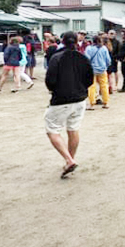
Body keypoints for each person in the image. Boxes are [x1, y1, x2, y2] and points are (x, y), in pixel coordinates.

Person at [44, 31, 93, 179]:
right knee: (73, 129)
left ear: (63, 41)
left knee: (52, 129)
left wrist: (55, 89)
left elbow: (50, 80)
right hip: (79, 99)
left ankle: (68, 160)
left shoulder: (56, 57)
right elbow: (89, 79)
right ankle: (70, 159)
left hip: (61, 99)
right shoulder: (83, 57)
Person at [85, 36, 111, 110]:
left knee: (92, 86)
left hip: (92, 70)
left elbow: (86, 59)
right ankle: (106, 102)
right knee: (104, 86)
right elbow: (108, 60)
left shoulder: (89, 48)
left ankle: (92, 103)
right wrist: (106, 66)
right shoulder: (104, 48)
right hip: (102, 69)